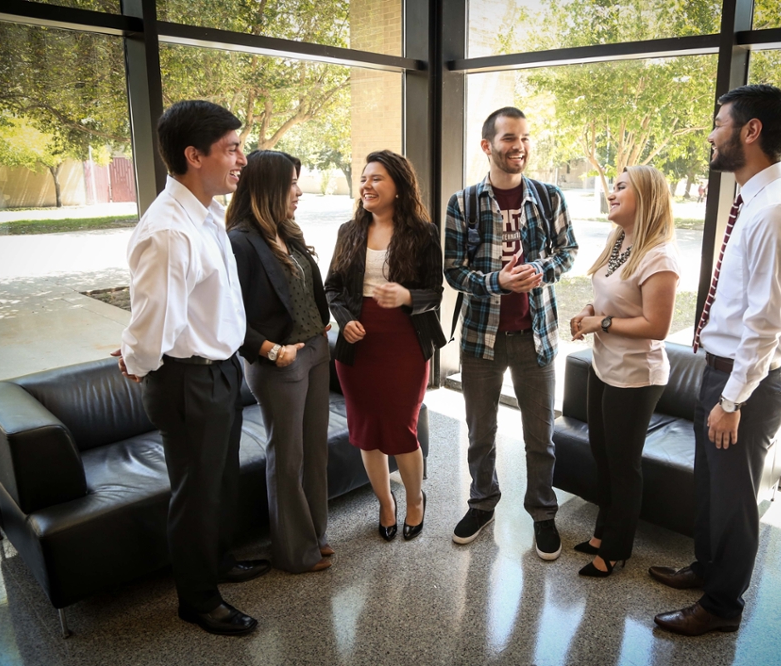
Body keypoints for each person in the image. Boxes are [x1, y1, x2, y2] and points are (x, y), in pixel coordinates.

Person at [650, 84, 781, 636]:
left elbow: (765, 325)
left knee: (735, 501)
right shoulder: (756, 202)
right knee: (712, 491)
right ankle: (706, 569)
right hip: (722, 374)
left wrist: (730, 399)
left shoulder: (776, 213)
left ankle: (722, 608)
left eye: (720, 122)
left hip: (744, 386)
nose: (711, 133)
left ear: (751, 131)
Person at [116, 100, 267, 636]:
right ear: (193, 155)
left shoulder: (203, 214)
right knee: (196, 493)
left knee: (220, 481)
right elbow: (154, 318)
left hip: (221, 369)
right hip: (188, 380)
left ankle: (220, 560)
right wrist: (137, 359)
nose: (241, 159)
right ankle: (198, 600)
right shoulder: (168, 231)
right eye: (231, 149)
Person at [444, 106, 578, 560]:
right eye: (508, 139)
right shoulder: (462, 203)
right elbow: (453, 271)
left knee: (540, 437)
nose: (518, 146)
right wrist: (495, 282)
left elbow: (568, 252)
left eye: (523, 138)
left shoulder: (549, 197)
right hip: (481, 340)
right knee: (481, 433)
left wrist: (540, 269)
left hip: (536, 337)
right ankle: (482, 504)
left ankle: (543, 514)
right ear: (487, 146)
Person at [325, 150, 445, 542]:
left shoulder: (423, 233)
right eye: (364, 179)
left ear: (398, 186)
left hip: (405, 345)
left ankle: (414, 500)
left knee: (400, 429)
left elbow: (434, 292)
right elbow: (334, 288)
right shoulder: (349, 231)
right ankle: (385, 502)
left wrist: (406, 296)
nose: (367, 185)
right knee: (367, 432)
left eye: (376, 178)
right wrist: (346, 322)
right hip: (358, 345)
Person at [569, 165, 680, 578]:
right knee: (602, 455)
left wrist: (603, 324)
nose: (611, 193)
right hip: (604, 365)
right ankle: (601, 533)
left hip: (636, 376)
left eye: (620, 188)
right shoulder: (621, 240)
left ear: (646, 197)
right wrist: (589, 311)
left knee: (623, 464)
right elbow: (610, 297)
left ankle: (615, 549)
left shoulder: (660, 256)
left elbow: (657, 325)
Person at [226, 150, 333, 574]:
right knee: (287, 460)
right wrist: (269, 348)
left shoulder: (286, 231)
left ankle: (316, 536)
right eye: (291, 183)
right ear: (269, 187)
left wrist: (319, 323)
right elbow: (227, 317)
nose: (299, 191)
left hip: (316, 352)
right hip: (279, 362)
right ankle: (294, 552)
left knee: (316, 454)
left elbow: (301, 290)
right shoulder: (238, 242)